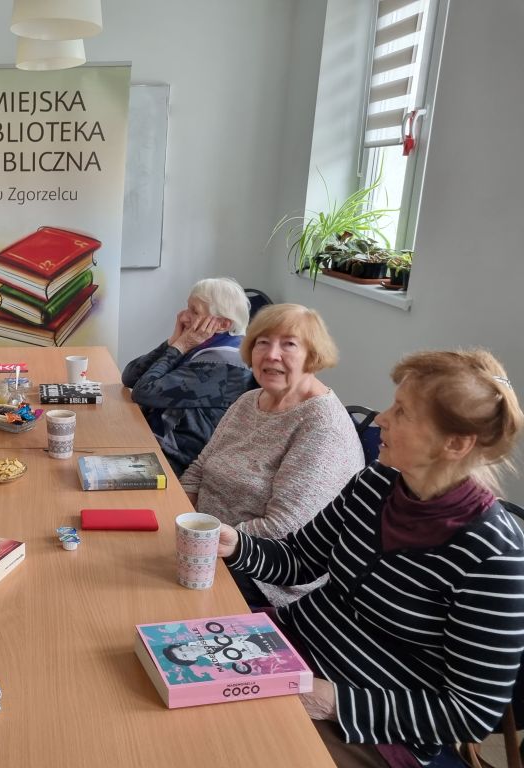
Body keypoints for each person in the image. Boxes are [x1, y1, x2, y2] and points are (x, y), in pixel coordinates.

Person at [217, 349, 524, 767]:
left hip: (367, 724)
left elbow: (470, 713)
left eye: (403, 412)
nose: (380, 419)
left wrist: (334, 702)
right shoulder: (375, 483)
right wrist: (235, 543)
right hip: (288, 648)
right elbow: (299, 559)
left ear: (455, 443)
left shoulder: (493, 555)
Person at [181, 303, 364, 607]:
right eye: (262, 343)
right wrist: (181, 519)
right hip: (205, 542)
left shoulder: (322, 426)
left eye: (289, 344)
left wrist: (201, 540)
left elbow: (285, 528)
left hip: (262, 574)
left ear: (313, 355)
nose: (271, 355)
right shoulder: (249, 400)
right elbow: (200, 468)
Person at [121, 277, 255, 476]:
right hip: (154, 437)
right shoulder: (203, 344)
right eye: (187, 307)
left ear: (223, 324)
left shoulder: (224, 363)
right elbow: (130, 376)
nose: (183, 317)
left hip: (175, 458)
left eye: (194, 311)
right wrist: (173, 342)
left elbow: (143, 392)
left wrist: (180, 346)